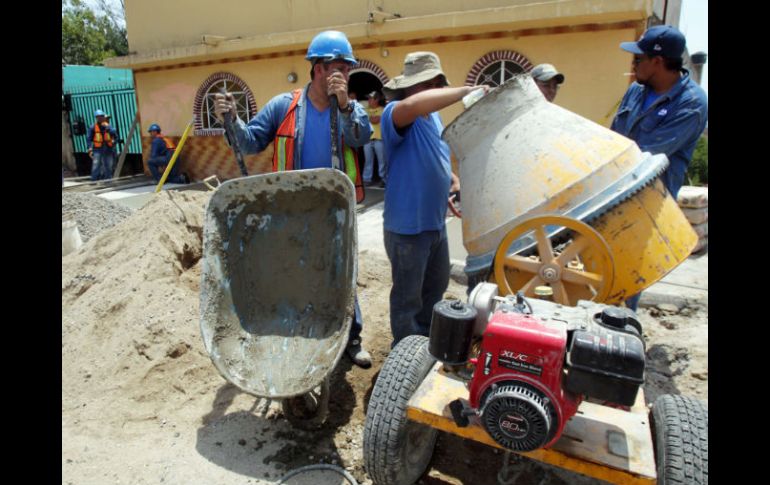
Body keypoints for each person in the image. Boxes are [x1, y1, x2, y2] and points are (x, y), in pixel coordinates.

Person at [214, 30, 373, 367]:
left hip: (335, 210)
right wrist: (230, 121)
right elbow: (249, 144)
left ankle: (351, 337)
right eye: (339, 68)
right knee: (296, 271)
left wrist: (344, 106)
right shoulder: (284, 107)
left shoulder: (351, 108)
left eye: (347, 69)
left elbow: (360, 138)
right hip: (292, 210)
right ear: (318, 69)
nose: (345, 74)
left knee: (341, 272)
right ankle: (302, 330)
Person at [380, 51, 486, 345]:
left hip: (434, 223)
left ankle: (422, 342)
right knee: (407, 298)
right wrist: (466, 91)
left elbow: (436, 155)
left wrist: (450, 182)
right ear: (410, 86)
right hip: (407, 229)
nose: (433, 89)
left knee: (435, 287)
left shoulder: (434, 117)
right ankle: (404, 351)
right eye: (428, 84)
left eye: (437, 83)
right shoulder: (396, 112)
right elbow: (412, 105)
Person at [611, 24, 708, 311]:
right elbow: (614, 136)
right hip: (613, 193)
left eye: (639, 58)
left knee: (629, 270)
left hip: (648, 200)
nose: (633, 63)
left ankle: (621, 330)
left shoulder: (692, 104)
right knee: (601, 260)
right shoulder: (635, 92)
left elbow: (646, 156)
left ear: (657, 61)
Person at [363, 91, 386, 187]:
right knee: (368, 161)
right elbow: (373, 119)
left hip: (379, 138)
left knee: (382, 161)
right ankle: (366, 179)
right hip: (367, 139)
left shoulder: (383, 109)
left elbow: (375, 120)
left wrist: (368, 118)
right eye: (368, 98)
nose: (368, 100)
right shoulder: (365, 109)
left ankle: (383, 179)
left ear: (377, 99)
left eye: (370, 98)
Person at [87, 109, 117, 181]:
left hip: (108, 148)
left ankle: (108, 180)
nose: (100, 118)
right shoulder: (93, 127)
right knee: (96, 165)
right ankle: (94, 180)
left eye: (102, 116)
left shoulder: (109, 126)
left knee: (108, 165)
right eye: (98, 117)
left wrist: (109, 128)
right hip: (97, 149)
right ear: (96, 118)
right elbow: (89, 139)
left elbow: (115, 136)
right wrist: (90, 149)